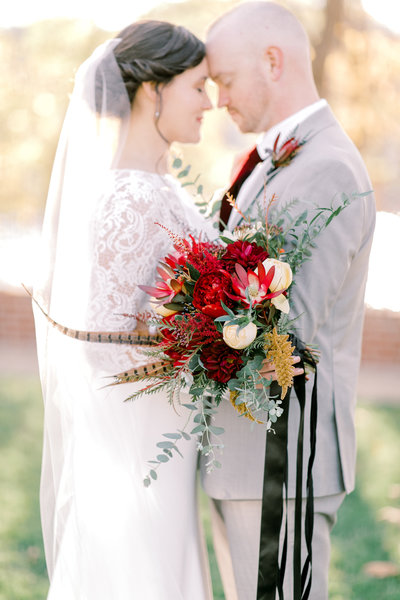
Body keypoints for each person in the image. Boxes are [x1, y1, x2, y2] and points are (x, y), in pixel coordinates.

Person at [33, 20, 214, 599]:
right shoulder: (127, 197)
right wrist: (204, 336)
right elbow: (97, 347)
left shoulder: (161, 186)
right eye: (197, 86)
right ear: (152, 90)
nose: (208, 102)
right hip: (135, 446)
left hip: (167, 435)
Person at [201, 2, 376, 599]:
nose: (218, 97)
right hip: (245, 457)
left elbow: (286, 330)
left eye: (223, 79)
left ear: (272, 62)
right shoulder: (268, 160)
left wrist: (191, 327)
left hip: (283, 461)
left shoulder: (326, 168)